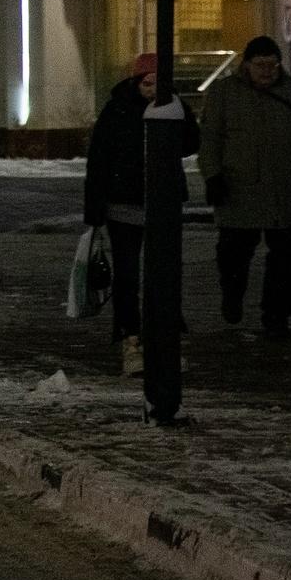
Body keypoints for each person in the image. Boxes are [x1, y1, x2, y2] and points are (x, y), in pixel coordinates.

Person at [198, 35, 291, 338]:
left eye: (272, 64)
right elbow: (210, 139)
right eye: (260, 64)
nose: (267, 71)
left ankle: (276, 315)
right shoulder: (224, 94)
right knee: (233, 254)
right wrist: (212, 175)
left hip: (286, 189)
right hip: (240, 188)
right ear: (247, 65)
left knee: (286, 260)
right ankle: (232, 294)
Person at [84, 51, 200, 376]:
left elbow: (191, 143)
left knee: (164, 275)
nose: (152, 89)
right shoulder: (117, 111)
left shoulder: (171, 108)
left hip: (162, 207)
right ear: (137, 82)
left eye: (158, 83)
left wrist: (178, 109)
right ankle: (130, 339)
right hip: (123, 208)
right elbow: (99, 161)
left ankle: (165, 340)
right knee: (127, 278)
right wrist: (94, 210)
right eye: (147, 82)